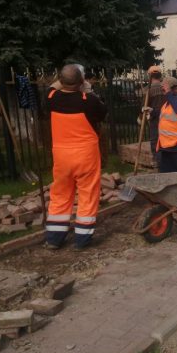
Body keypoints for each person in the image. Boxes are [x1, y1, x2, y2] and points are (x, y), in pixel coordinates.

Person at [45, 64, 107, 250]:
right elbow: (102, 113)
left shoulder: (51, 98)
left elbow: (53, 87)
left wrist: (67, 79)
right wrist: (88, 89)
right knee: (88, 194)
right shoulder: (88, 100)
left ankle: (54, 239)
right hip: (85, 155)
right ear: (81, 81)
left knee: (60, 194)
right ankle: (81, 240)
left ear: (61, 80)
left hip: (61, 156)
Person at [141, 66, 164, 165]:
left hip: (154, 118)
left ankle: (157, 160)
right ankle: (165, 159)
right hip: (166, 117)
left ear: (150, 76)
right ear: (160, 75)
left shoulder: (147, 90)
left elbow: (144, 106)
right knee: (165, 138)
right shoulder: (165, 87)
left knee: (155, 139)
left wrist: (141, 118)